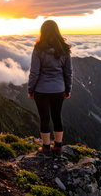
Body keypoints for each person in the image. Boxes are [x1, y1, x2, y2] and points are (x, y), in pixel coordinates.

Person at [27, 20, 72, 156]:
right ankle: (58, 147)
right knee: (57, 117)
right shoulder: (64, 49)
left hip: (41, 90)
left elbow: (34, 72)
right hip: (58, 89)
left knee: (44, 118)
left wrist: (31, 89)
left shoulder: (38, 49)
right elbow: (68, 72)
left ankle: (46, 147)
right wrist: (68, 89)